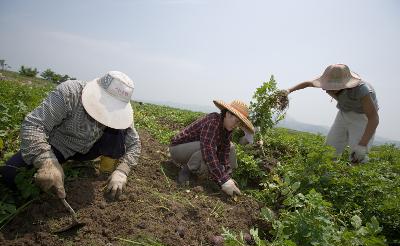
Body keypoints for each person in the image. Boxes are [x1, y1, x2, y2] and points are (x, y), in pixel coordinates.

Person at [0, 71, 141, 200]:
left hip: (92, 148)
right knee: (9, 173)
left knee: (118, 132)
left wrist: (122, 171)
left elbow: (135, 144)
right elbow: (34, 125)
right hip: (60, 146)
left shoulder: (123, 113)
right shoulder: (70, 92)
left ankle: (107, 166)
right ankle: (58, 164)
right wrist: (46, 161)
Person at [286, 64, 379, 163]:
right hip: (343, 113)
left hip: (362, 117)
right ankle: (327, 174)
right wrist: (288, 90)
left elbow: (373, 118)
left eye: (332, 87)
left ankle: (357, 173)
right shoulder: (329, 80)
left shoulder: (362, 90)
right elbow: (308, 83)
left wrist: (363, 145)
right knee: (330, 148)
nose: (327, 89)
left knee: (357, 154)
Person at [169, 100, 255, 196]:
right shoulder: (213, 121)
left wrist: (226, 177)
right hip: (177, 149)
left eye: (239, 123)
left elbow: (224, 154)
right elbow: (208, 151)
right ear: (228, 114)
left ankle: (211, 176)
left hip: (192, 151)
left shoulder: (227, 130)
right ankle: (186, 170)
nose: (236, 125)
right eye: (236, 121)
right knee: (208, 149)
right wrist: (223, 179)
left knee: (230, 147)